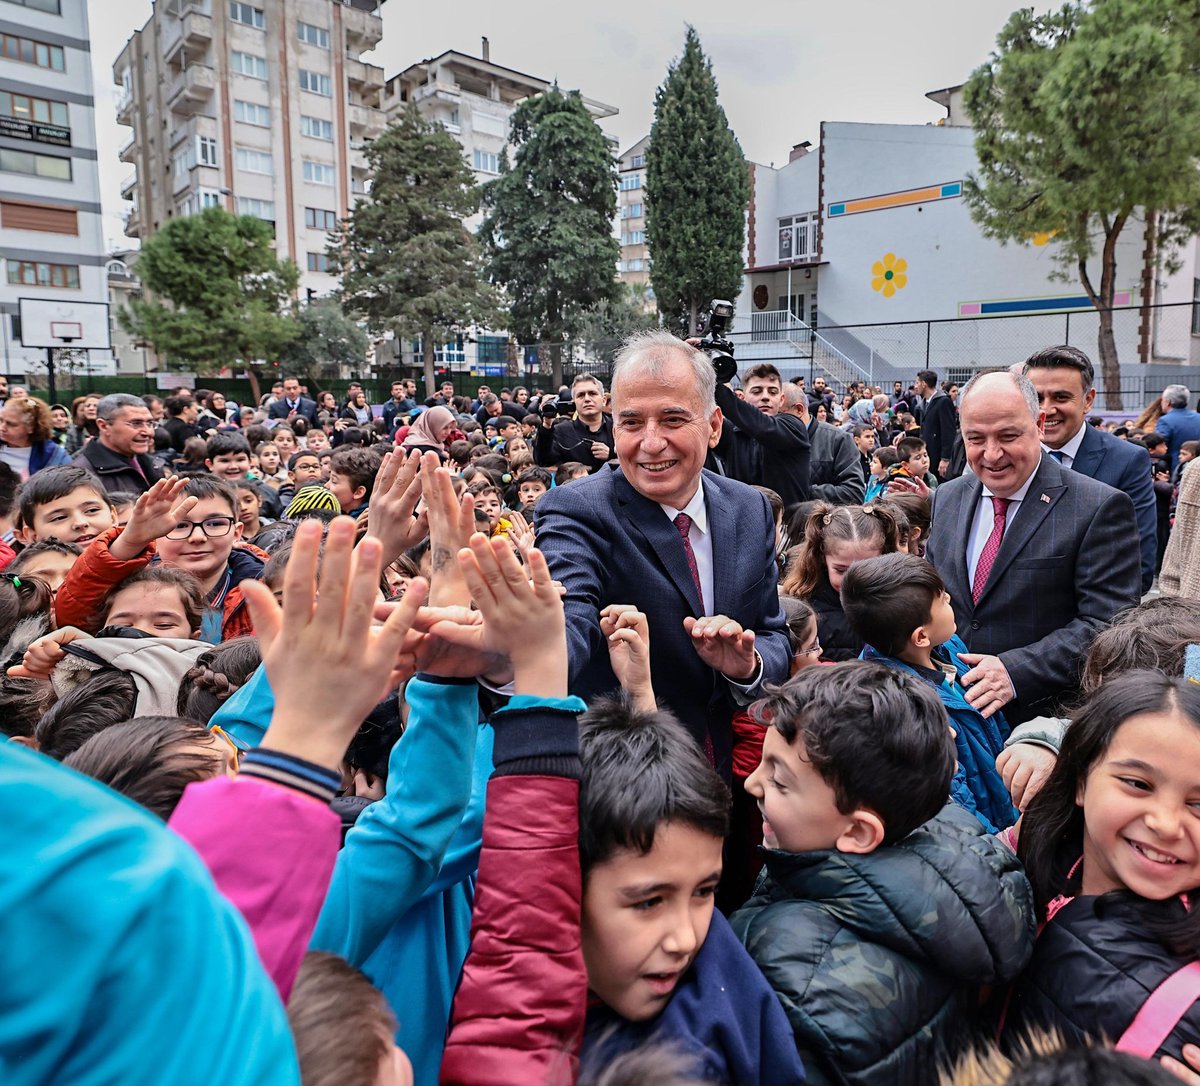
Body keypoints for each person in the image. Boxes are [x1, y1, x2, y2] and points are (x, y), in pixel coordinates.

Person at [730, 663, 1034, 1086]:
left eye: (779, 781)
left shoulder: (789, 985)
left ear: (858, 831)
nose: (753, 784)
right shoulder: (951, 838)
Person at [535, 329, 791, 768]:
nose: (651, 443)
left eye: (673, 420)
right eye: (632, 423)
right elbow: (568, 617)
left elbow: (773, 634)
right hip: (625, 784)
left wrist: (746, 664)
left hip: (728, 781)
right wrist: (516, 653)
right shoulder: (573, 510)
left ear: (712, 426)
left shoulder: (750, 507)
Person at [1006, 672, 1200, 1065]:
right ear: (1080, 781)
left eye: (1198, 805)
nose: (1165, 822)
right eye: (1137, 784)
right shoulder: (1024, 865)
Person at [925, 370, 1141, 724]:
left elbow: (1109, 624)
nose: (992, 455)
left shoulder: (1097, 506)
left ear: (1039, 424)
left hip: (1040, 723)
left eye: (1008, 436)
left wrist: (1014, 671)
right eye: (975, 438)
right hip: (949, 717)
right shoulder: (947, 498)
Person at [842, 553, 1018, 831]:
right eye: (942, 599)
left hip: (1004, 803)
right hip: (985, 835)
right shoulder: (908, 709)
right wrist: (996, 839)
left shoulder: (948, 648)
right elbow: (953, 797)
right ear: (920, 636)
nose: (949, 598)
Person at [54, 475, 265, 644]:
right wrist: (129, 542)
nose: (198, 537)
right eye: (179, 526)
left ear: (237, 532)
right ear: (155, 533)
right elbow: (73, 615)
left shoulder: (266, 583)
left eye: (215, 524)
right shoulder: (128, 580)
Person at [1024, 346, 1157, 594]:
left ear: (1088, 400)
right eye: (1037, 398)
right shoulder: (1008, 457)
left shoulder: (1127, 461)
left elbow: (1139, 568)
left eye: (1061, 397)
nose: (1046, 409)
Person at [780, 502, 901, 662]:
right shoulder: (802, 603)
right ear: (823, 558)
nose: (852, 580)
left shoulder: (898, 598)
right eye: (841, 570)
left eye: (866, 567)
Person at [710, 363, 811, 511]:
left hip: (788, 529)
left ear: (781, 399)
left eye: (772, 392)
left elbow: (762, 427)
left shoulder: (793, 427)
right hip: (744, 527)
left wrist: (713, 383)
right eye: (757, 391)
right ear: (742, 398)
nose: (765, 397)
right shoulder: (730, 432)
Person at [780, 381, 864, 504]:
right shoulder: (766, 441)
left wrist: (801, 491)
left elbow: (853, 493)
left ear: (799, 409)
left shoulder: (838, 439)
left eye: (779, 415)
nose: (772, 423)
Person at [73, 393, 164, 495]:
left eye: (150, 423)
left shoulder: (152, 464)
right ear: (104, 426)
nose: (148, 432)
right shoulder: (83, 477)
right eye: (136, 423)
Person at [14, 465, 116, 547]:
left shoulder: (131, 563)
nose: (80, 523)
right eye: (59, 517)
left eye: (92, 510)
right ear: (32, 535)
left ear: (113, 516)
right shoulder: (26, 573)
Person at [534, 375, 616, 473]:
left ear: (604, 400)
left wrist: (611, 454)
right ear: (573, 402)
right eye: (581, 395)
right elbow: (544, 461)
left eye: (592, 393)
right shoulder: (561, 431)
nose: (587, 399)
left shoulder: (618, 427)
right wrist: (547, 424)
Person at [0, 397, 71, 480]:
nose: (2, 427)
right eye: (0, 420)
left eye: (11, 424)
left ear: (31, 427)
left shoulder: (55, 455)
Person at [915, 368, 957, 479]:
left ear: (924, 384)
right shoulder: (924, 403)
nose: (915, 386)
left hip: (938, 456)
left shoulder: (943, 401)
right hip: (927, 455)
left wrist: (945, 458)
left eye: (917, 382)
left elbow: (949, 431)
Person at [1155, 383, 1200, 473]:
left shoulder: (1165, 421)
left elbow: (1158, 445)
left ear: (1168, 402)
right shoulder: (1198, 417)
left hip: (1176, 469)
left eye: (1162, 400)